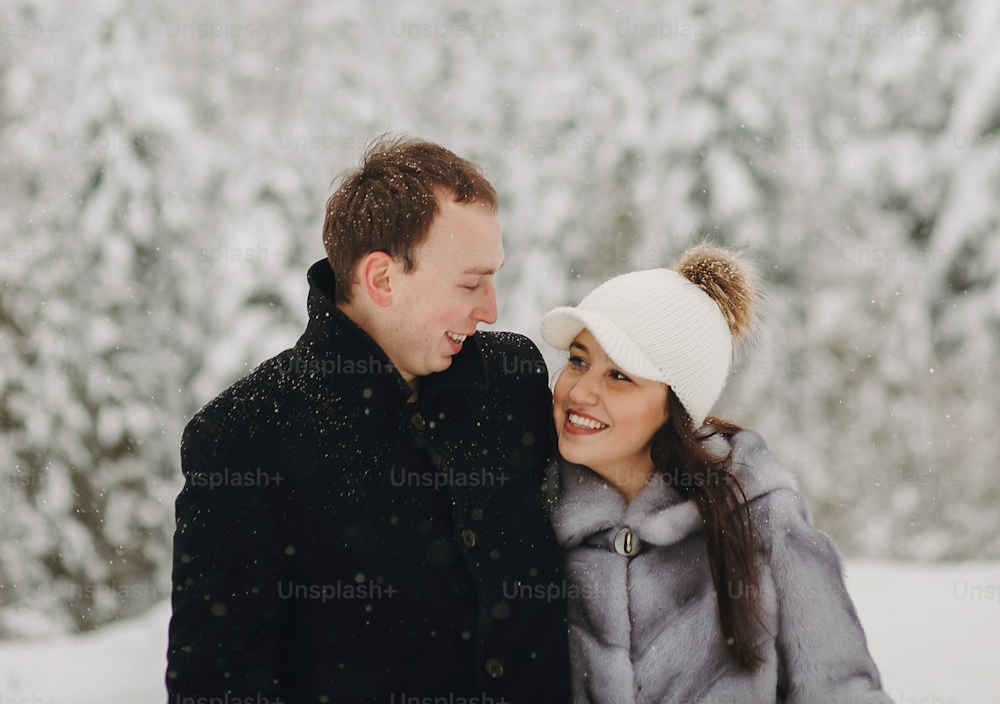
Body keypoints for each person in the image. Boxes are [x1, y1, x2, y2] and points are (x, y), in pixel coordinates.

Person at [166, 134, 571, 704]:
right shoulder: (244, 436)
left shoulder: (513, 378)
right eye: (470, 282)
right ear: (382, 279)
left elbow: (620, 495)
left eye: (494, 277)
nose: (491, 309)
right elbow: (217, 684)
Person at [540, 242, 895, 703]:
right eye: (578, 360)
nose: (580, 391)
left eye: (620, 376)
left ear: (675, 407)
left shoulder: (760, 515)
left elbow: (841, 690)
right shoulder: (531, 511)